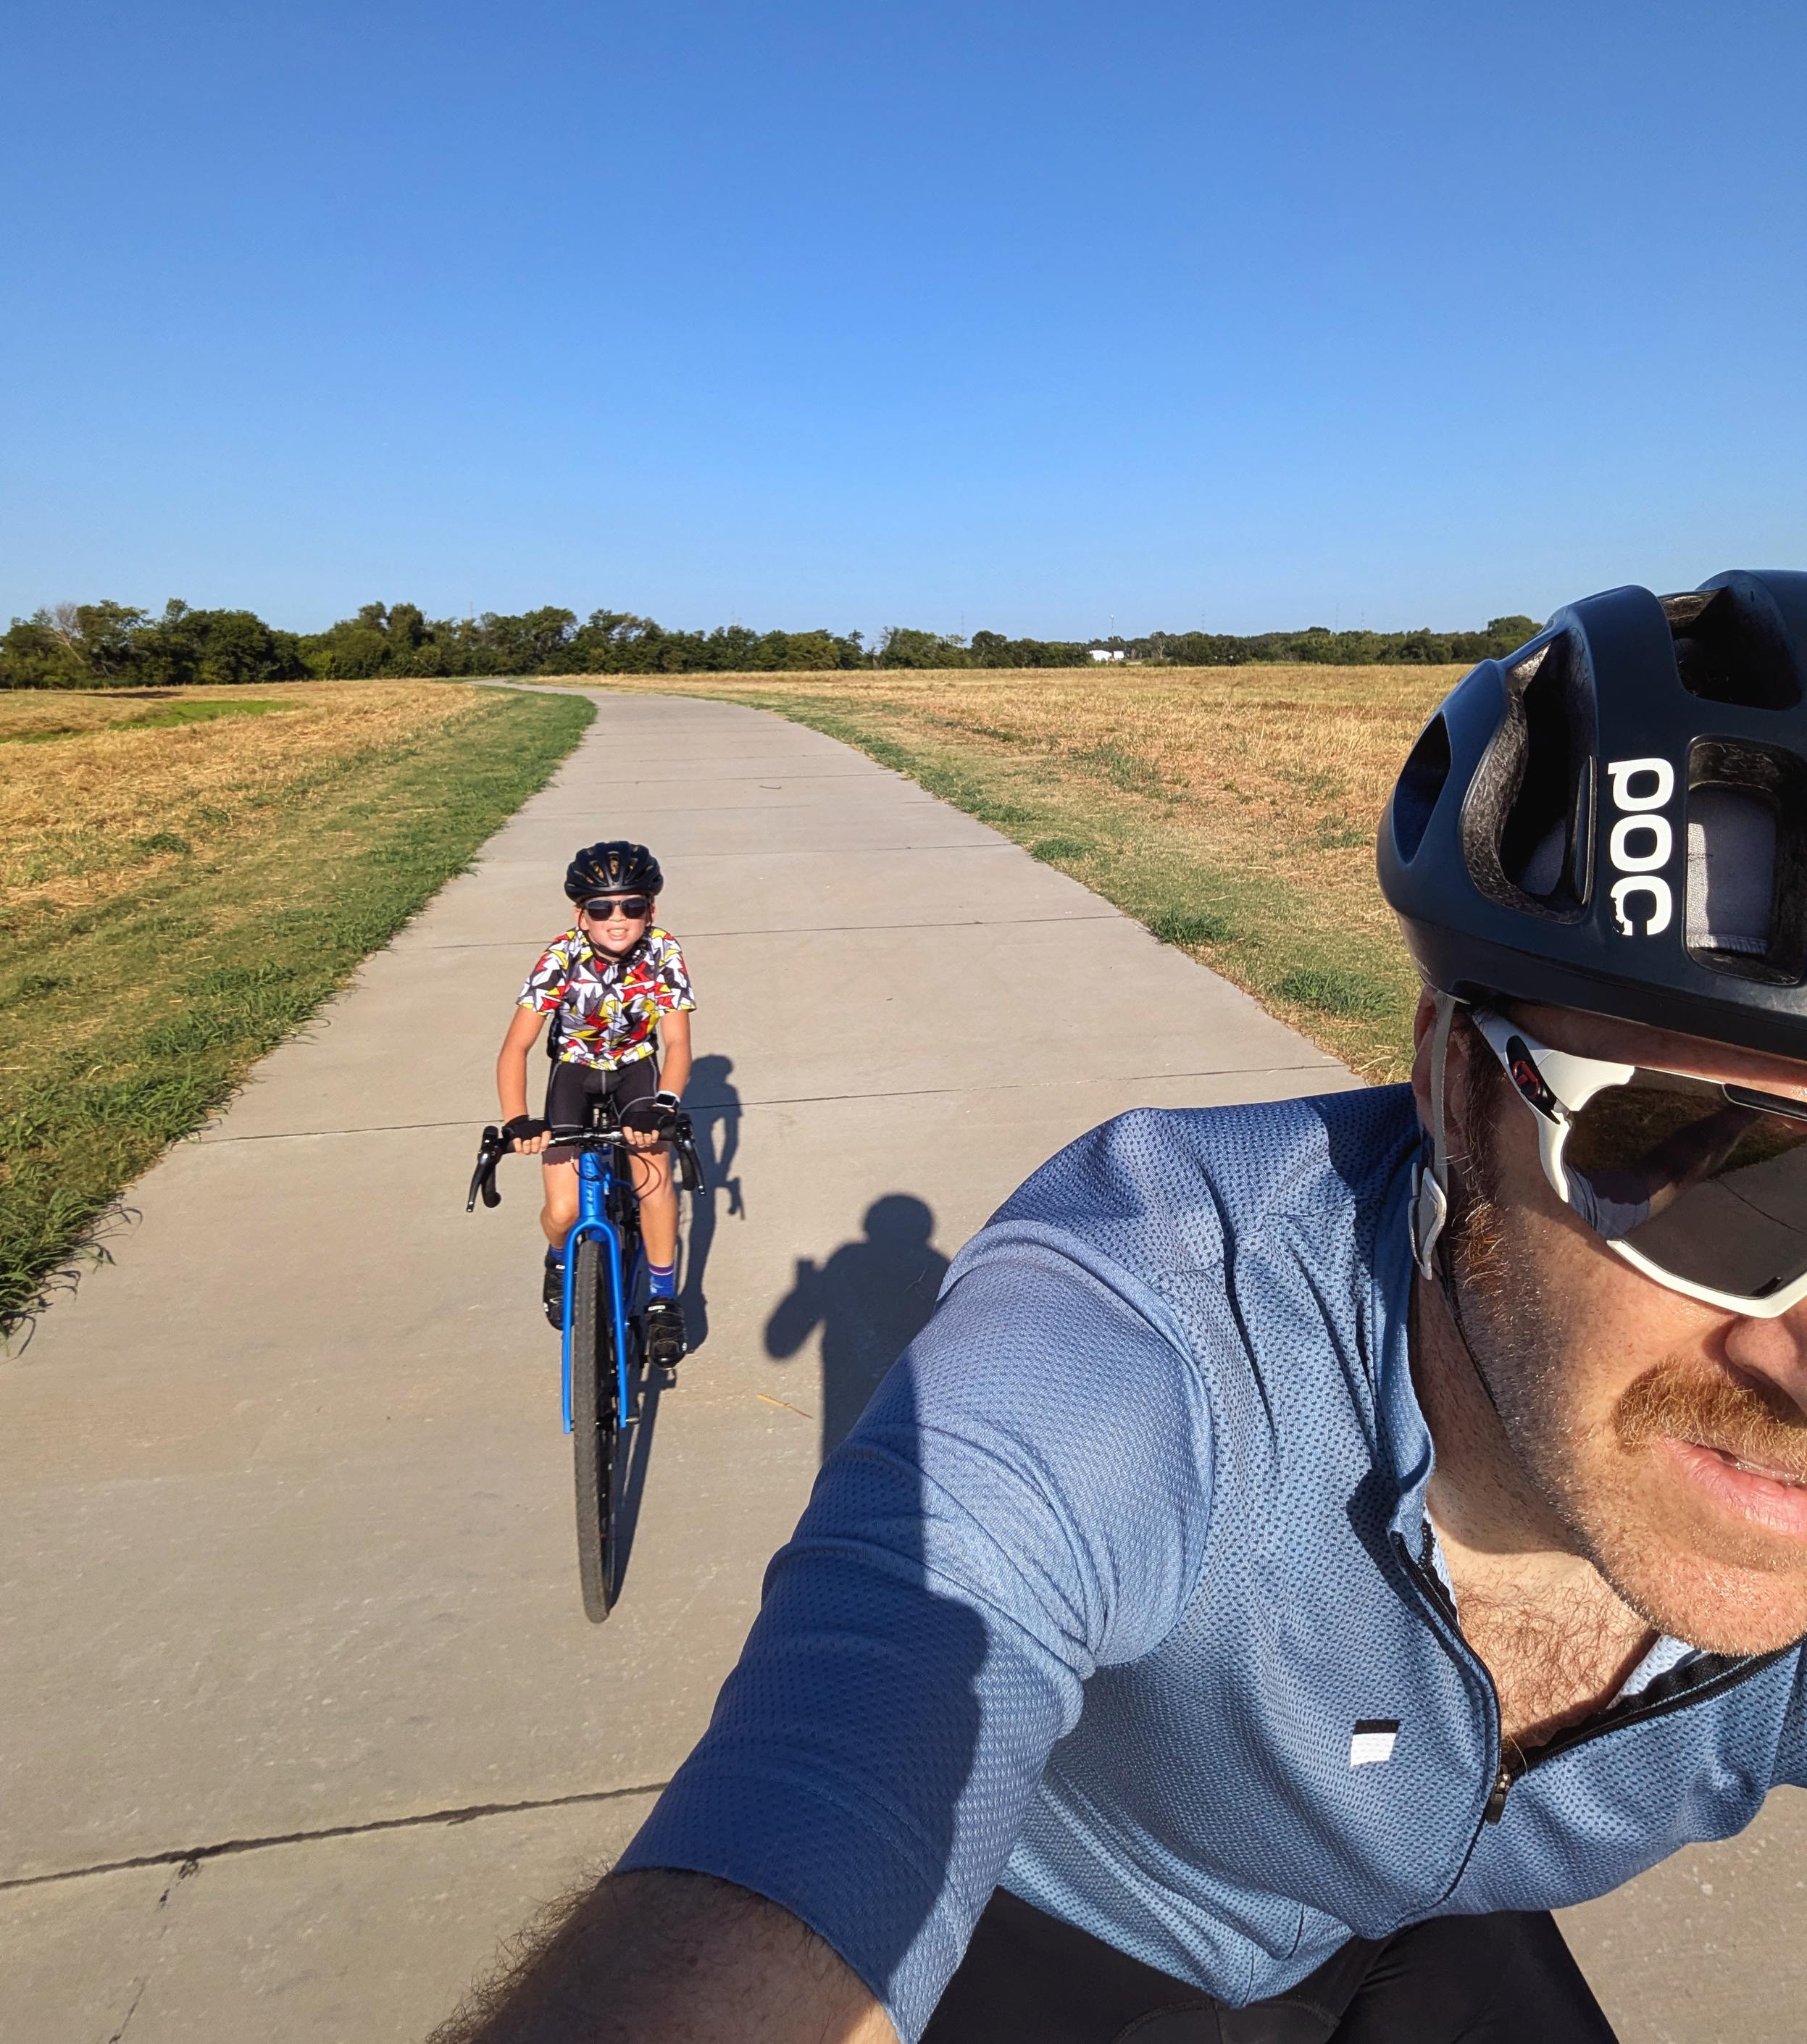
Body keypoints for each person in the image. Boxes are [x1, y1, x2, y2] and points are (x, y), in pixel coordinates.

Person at [439, 572, 1807, 2044]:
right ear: (1452, 1084)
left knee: (652, 1168)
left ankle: (648, 1289)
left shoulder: (662, 970)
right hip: (1066, 1924)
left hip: (1411, 1932)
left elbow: (681, 1043)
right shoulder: (1144, 1319)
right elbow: (833, 1772)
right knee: (590, 1172)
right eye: (1706, 1158)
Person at [495, 840, 695, 1369]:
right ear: (580, 915)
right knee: (563, 1210)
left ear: (650, 910)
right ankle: (562, 1260)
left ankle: (660, 1295)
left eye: (632, 905)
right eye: (602, 907)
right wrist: (517, 1118)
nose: (618, 919)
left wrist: (666, 1105)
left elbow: (677, 1043)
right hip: (575, 1073)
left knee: (654, 1177)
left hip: (636, 1070)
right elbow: (515, 1047)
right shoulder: (559, 957)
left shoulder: (664, 952)